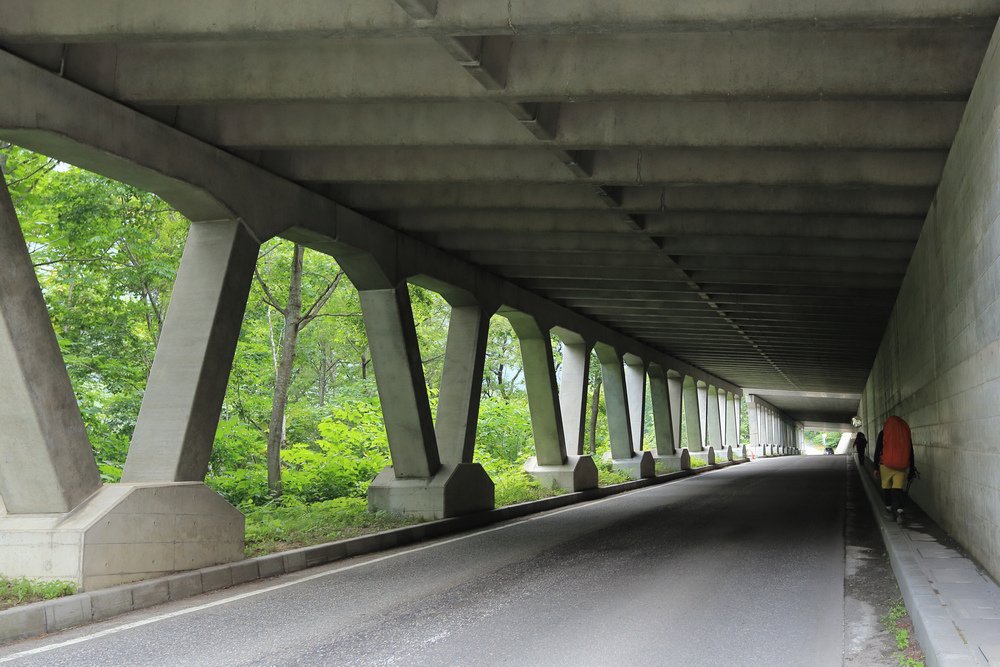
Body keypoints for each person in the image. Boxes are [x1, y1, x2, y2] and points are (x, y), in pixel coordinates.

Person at [872, 416, 917, 523]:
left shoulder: (883, 433)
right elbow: (911, 452)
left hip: (885, 465)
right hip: (901, 466)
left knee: (886, 488)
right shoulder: (905, 433)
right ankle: (900, 512)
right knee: (898, 489)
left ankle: (888, 511)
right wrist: (911, 467)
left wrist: (875, 467)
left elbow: (878, 450)